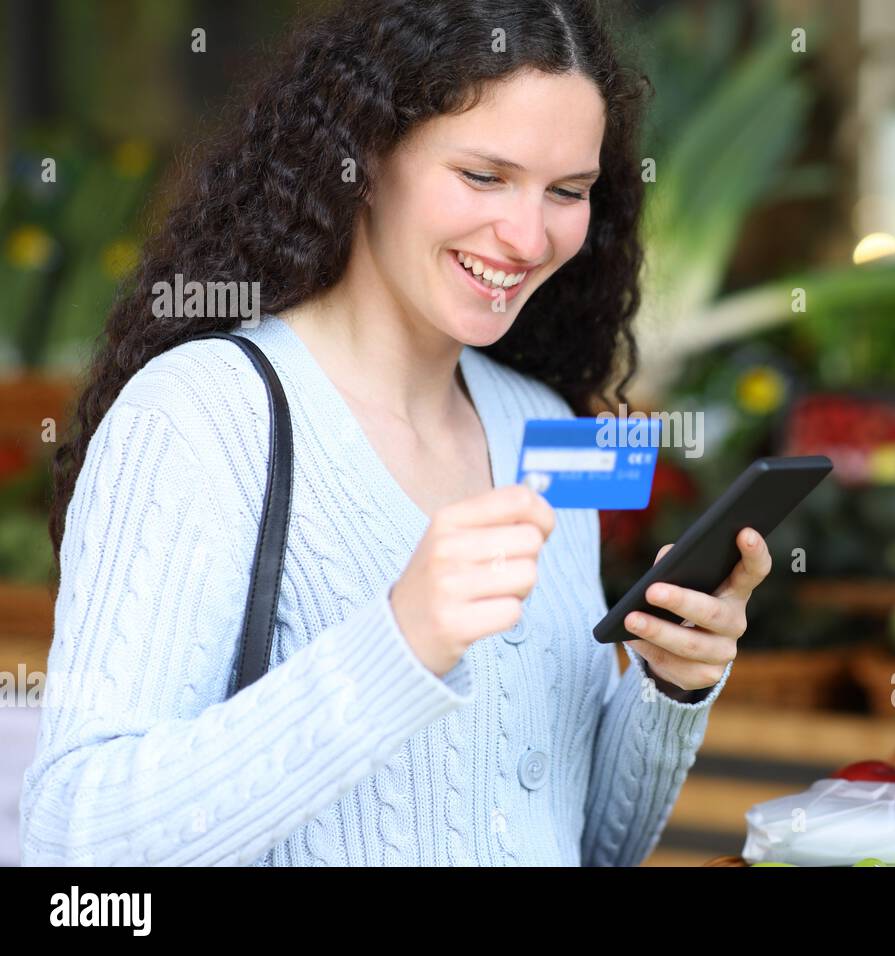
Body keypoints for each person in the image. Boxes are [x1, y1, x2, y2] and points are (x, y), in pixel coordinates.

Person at [22, 0, 772, 866]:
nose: (528, 236)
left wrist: (671, 685)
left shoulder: (546, 428)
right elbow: (71, 842)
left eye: (567, 192)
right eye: (485, 176)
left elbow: (586, 842)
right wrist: (396, 644)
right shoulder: (198, 415)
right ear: (364, 159)